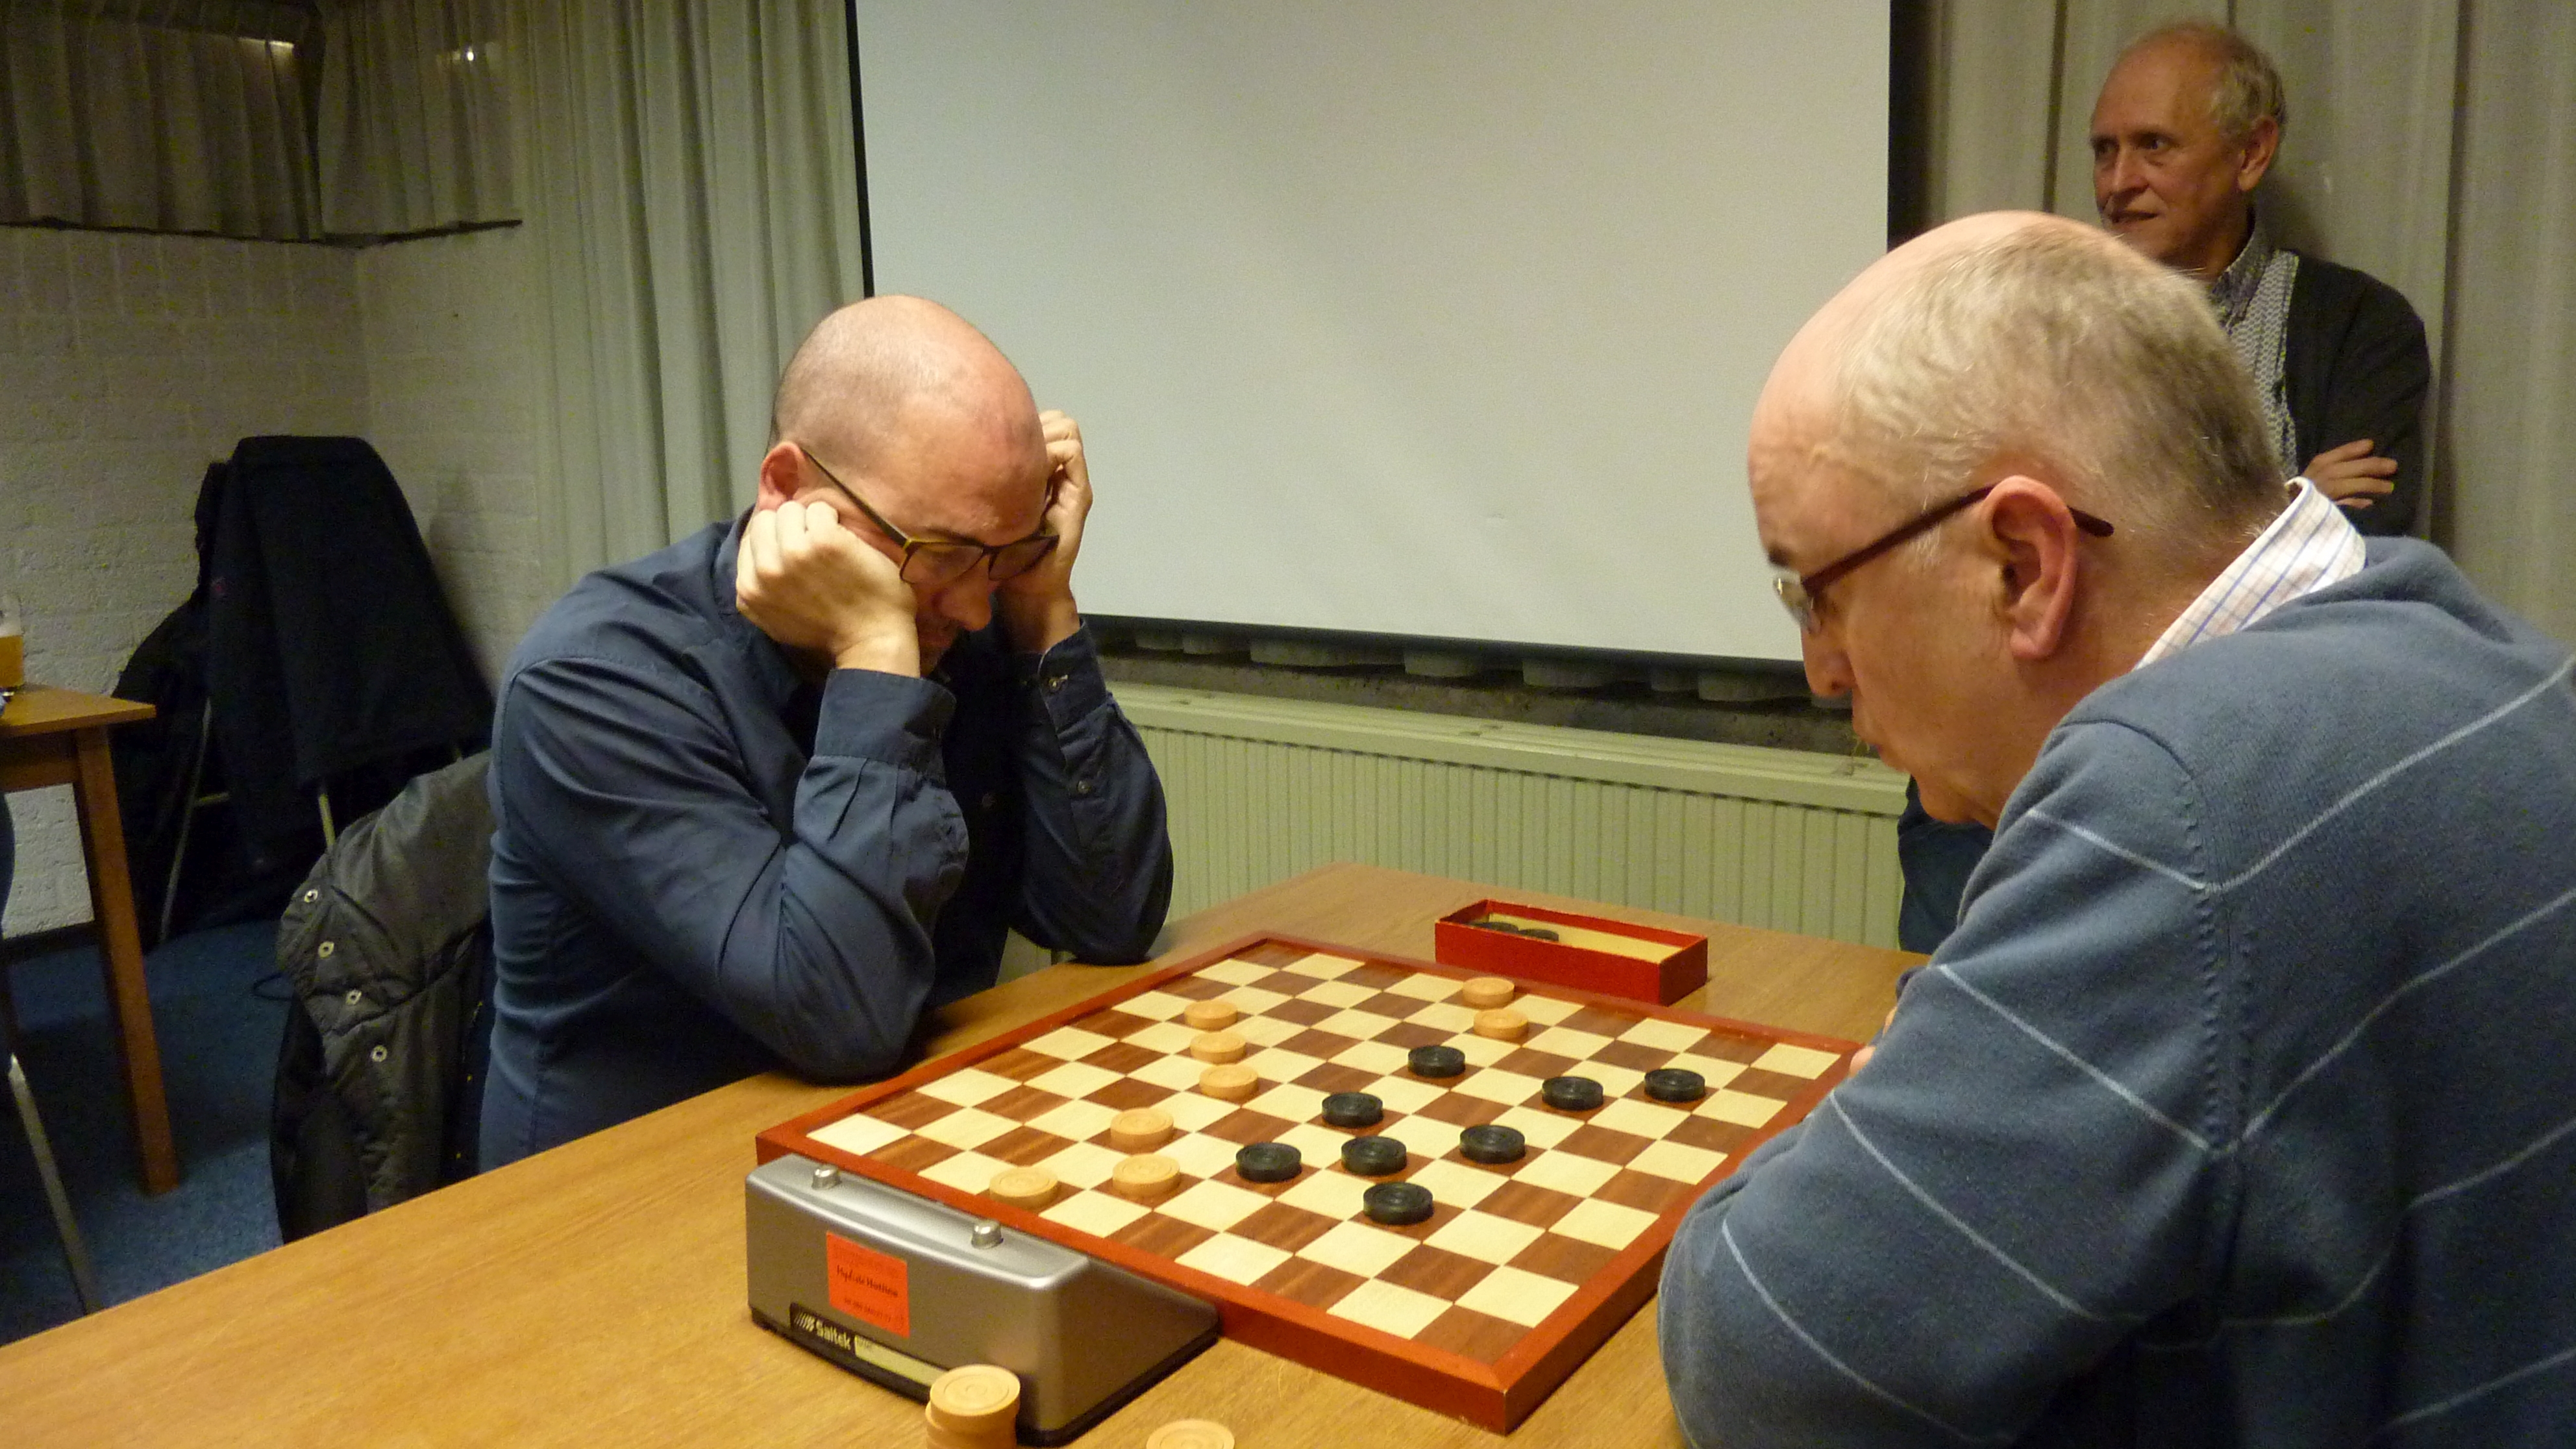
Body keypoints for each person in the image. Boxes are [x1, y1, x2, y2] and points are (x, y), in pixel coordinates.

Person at [1659, 213, 2576, 1445]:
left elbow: (1768, 1359)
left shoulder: (2184, 803)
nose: (1821, 670)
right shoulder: (2472, 644)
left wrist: (1852, 1121)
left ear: (2025, 566)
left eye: (1817, 591)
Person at [479, 296, 1174, 1167]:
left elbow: (1112, 919)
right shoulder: (593, 682)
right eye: (942, 554)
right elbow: (843, 1020)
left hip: (897, 1137)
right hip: (631, 1186)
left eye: (1005, 554)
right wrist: (876, 655)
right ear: (785, 486)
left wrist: (1043, 606)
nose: (972, 606)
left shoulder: (972, 612)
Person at [1897, 20, 2436, 953]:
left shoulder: (2358, 326)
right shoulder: (2028, 326)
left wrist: (2110, 537)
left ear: (2252, 153)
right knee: (1939, 1006)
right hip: (2012, 767)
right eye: (2104, 150)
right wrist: (2285, 501)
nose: (2118, 182)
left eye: (2153, 146)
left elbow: (2347, 565)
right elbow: (1978, 546)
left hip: (2224, 787)